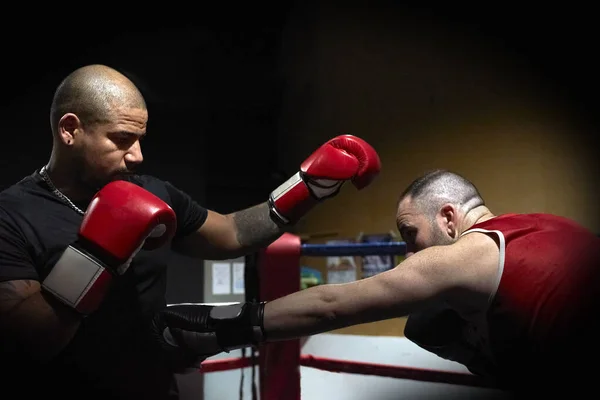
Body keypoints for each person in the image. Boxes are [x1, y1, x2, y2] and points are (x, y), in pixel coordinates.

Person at [0, 64, 382, 400]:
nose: (136, 155)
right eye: (121, 139)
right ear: (70, 130)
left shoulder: (150, 191)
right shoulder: (11, 215)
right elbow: (29, 341)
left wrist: (307, 189)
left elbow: (233, 233)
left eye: (140, 139)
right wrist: (99, 252)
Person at [155, 169, 600, 397]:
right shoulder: (547, 226)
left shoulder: (467, 255)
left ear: (448, 217)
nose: (410, 251)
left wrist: (218, 327)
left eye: (410, 234)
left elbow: (333, 303)